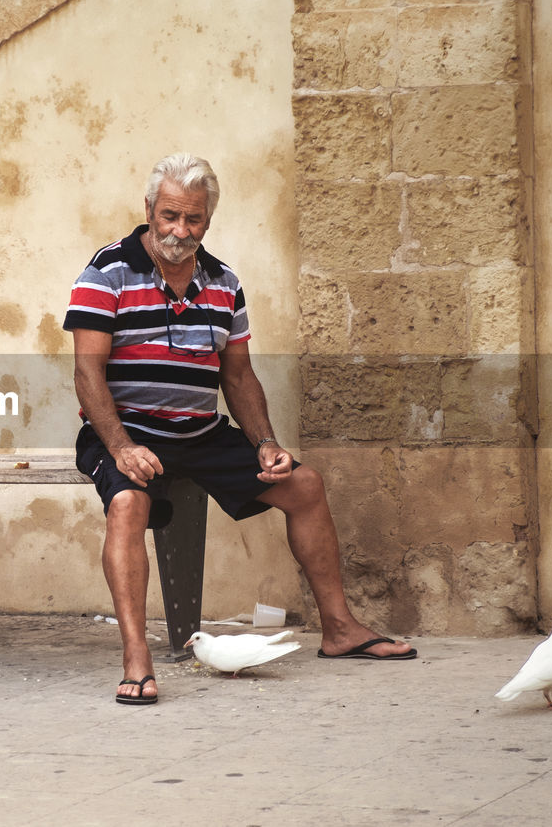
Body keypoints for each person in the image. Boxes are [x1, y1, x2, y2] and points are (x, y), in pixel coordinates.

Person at [64, 154, 415, 705]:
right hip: (124, 429)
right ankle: (136, 657)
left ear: (208, 220)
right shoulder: (106, 271)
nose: (181, 231)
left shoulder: (223, 282)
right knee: (128, 504)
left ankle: (341, 629)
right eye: (171, 216)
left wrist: (266, 443)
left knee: (305, 485)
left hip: (201, 433)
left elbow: (239, 375)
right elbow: (87, 372)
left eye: (194, 220)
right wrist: (121, 446)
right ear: (150, 210)